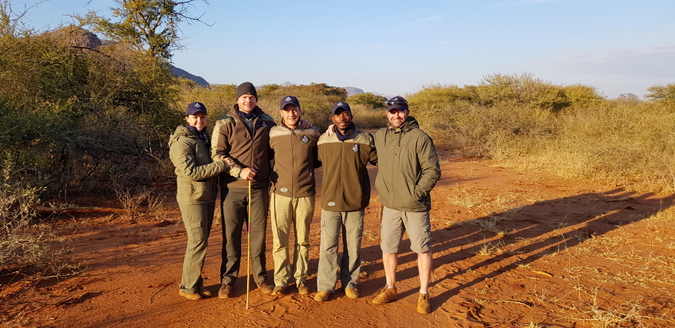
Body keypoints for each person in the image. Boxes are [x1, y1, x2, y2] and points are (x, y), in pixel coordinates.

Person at [371, 96, 441, 314]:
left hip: (415, 205)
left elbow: (432, 170)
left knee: (422, 248)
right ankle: (391, 287)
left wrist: (416, 193)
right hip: (390, 204)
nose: (396, 115)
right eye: (392, 111)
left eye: (400, 111)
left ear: (407, 112)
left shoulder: (420, 138)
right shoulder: (380, 136)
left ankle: (423, 293)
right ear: (387, 114)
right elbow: (359, 144)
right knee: (388, 248)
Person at [211, 82, 276, 298]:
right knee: (231, 235)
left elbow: (277, 147)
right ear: (237, 100)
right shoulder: (224, 123)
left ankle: (261, 278)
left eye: (251, 97)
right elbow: (218, 154)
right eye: (244, 97)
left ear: (256, 99)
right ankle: (228, 280)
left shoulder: (267, 121)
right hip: (232, 188)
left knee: (257, 235)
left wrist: (302, 123)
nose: (248, 101)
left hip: (258, 188)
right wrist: (239, 171)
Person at [314, 101, 377, 302]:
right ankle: (326, 286)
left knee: (353, 245)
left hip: (355, 201)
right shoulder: (324, 140)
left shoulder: (365, 139)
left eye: (345, 114)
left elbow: (383, 160)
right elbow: (310, 160)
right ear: (332, 118)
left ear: (350, 116)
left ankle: (350, 283)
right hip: (330, 201)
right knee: (328, 246)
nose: (342, 118)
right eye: (338, 115)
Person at [169, 102, 229, 301]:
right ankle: (187, 287)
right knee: (197, 242)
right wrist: (220, 166)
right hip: (193, 198)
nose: (199, 120)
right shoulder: (182, 141)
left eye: (202, 117)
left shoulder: (201, 136)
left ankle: (195, 282)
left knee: (200, 241)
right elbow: (190, 172)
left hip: (206, 196)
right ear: (186, 118)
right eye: (195, 117)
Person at [268, 95, 321, 296]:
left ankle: (301, 278)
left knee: (303, 239)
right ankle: (281, 280)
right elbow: (266, 157)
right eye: (287, 110)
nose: (291, 113)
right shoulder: (273, 133)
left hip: (305, 193)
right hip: (279, 193)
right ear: (281, 112)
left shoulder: (313, 132)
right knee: (280, 240)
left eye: (295, 109)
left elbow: (319, 159)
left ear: (300, 110)